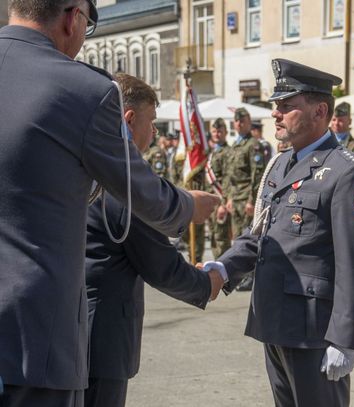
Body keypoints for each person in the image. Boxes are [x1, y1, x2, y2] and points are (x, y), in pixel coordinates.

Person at [0, 1, 219, 405]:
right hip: (35, 337)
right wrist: (190, 205)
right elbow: (143, 195)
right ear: (73, 18)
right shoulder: (84, 89)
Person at [205, 58, 354, 407]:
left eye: (287, 106)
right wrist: (223, 267)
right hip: (275, 320)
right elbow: (261, 232)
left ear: (320, 111)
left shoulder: (347, 172)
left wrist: (346, 338)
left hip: (314, 331)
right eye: (277, 105)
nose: (276, 113)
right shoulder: (282, 163)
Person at [84, 73, 224, 407]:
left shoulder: (84, 163)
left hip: (75, 331)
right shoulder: (121, 184)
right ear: (129, 120)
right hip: (101, 340)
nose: (155, 132)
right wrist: (207, 284)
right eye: (153, 122)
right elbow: (160, 265)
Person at [225, 107, 265, 291]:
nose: (239, 124)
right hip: (235, 198)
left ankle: (251, 276)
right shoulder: (235, 145)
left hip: (247, 199)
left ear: (249, 122)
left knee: (248, 239)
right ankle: (241, 276)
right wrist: (229, 198)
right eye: (237, 121)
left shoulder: (254, 145)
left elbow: (257, 175)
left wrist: (252, 200)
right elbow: (230, 175)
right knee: (237, 238)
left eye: (243, 121)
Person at [207, 118, 232, 258]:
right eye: (214, 131)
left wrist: (223, 203)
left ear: (226, 133)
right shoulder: (212, 152)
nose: (216, 134)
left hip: (220, 201)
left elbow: (228, 179)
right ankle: (217, 264)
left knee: (221, 238)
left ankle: (223, 268)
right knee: (213, 236)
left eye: (220, 131)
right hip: (211, 200)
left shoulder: (228, 152)